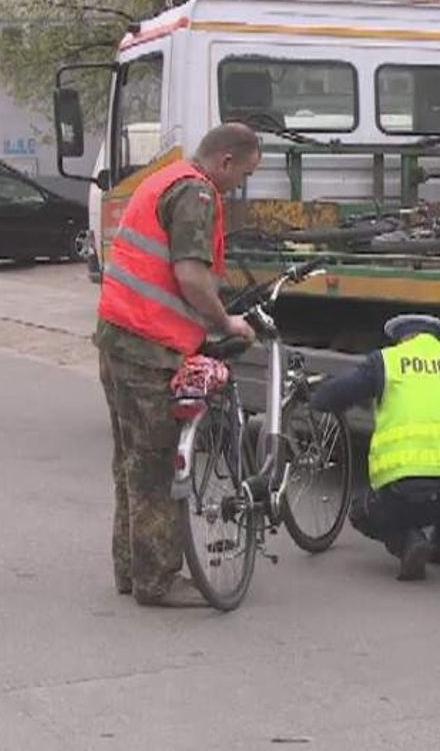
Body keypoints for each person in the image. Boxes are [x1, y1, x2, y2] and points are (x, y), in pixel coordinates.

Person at [96, 123, 260, 607]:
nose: (240, 186)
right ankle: (156, 580)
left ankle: (131, 569)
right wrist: (225, 321)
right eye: (244, 175)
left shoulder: (163, 178)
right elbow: (190, 275)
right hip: (150, 347)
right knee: (156, 466)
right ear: (225, 161)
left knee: (129, 462)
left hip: (118, 336)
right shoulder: (197, 193)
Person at [310, 313, 440, 581]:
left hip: (409, 494)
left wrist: (315, 394)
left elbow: (331, 398)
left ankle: (409, 542)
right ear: (436, 338)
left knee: (362, 509)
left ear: (401, 338)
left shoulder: (388, 361)